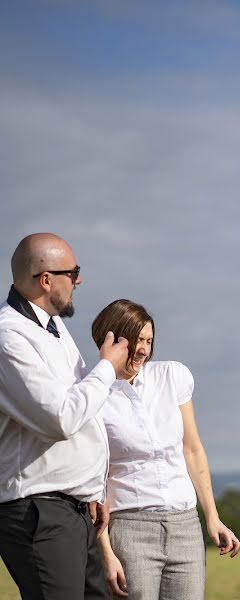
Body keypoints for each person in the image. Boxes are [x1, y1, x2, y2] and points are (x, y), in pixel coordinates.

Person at [0, 233, 129, 600]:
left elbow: (81, 414)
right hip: (39, 511)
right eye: (73, 272)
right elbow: (59, 419)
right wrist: (106, 366)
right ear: (46, 280)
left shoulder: (53, 328)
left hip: (75, 510)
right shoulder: (10, 336)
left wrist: (91, 488)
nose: (79, 280)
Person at [89, 299, 240, 599]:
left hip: (185, 527)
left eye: (148, 341)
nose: (143, 350)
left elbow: (192, 450)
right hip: (129, 530)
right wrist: (105, 552)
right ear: (110, 339)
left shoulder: (172, 376)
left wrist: (212, 516)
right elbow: (94, 480)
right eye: (136, 341)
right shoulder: (92, 394)